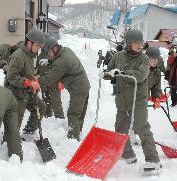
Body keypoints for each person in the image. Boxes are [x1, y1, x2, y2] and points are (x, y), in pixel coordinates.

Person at [99, 29, 161, 173]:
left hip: (138, 100)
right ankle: (128, 155)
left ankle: (153, 160)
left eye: (141, 42)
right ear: (128, 43)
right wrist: (106, 73)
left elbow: (141, 75)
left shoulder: (144, 59)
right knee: (120, 130)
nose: (140, 45)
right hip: (123, 99)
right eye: (136, 43)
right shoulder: (118, 56)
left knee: (142, 128)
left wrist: (122, 73)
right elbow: (111, 71)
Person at [39, 37, 90, 141]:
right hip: (82, 85)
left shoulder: (63, 61)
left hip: (78, 88)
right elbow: (56, 58)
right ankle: (77, 134)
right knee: (79, 113)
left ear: (54, 48)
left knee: (73, 114)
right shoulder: (66, 50)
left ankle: (73, 139)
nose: (48, 54)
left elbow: (50, 78)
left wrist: (36, 80)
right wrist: (48, 61)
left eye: (49, 52)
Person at [4, 29, 46, 141]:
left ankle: (28, 132)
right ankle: (8, 142)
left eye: (39, 47)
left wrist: (34, 80)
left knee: (41, 107)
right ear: (29, 42)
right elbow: (11, 77)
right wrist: (28, 82)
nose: (38, 49)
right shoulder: (18, 56)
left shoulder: (30, 55)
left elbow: (27, 72)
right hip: (15, 93)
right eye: (37, 46)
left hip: (26, 91)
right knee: (15, 123)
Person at [36, 33, 65, 119]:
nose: (40, 45)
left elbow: (60, 67)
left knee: (56, 102)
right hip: (44, 81)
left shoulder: (54, 51)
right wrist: (36, 72)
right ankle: (48, 117)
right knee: (46, 100)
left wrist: (61, 81)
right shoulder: (42, 52)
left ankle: (59, 119)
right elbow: (39, 65)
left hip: (53, 82)